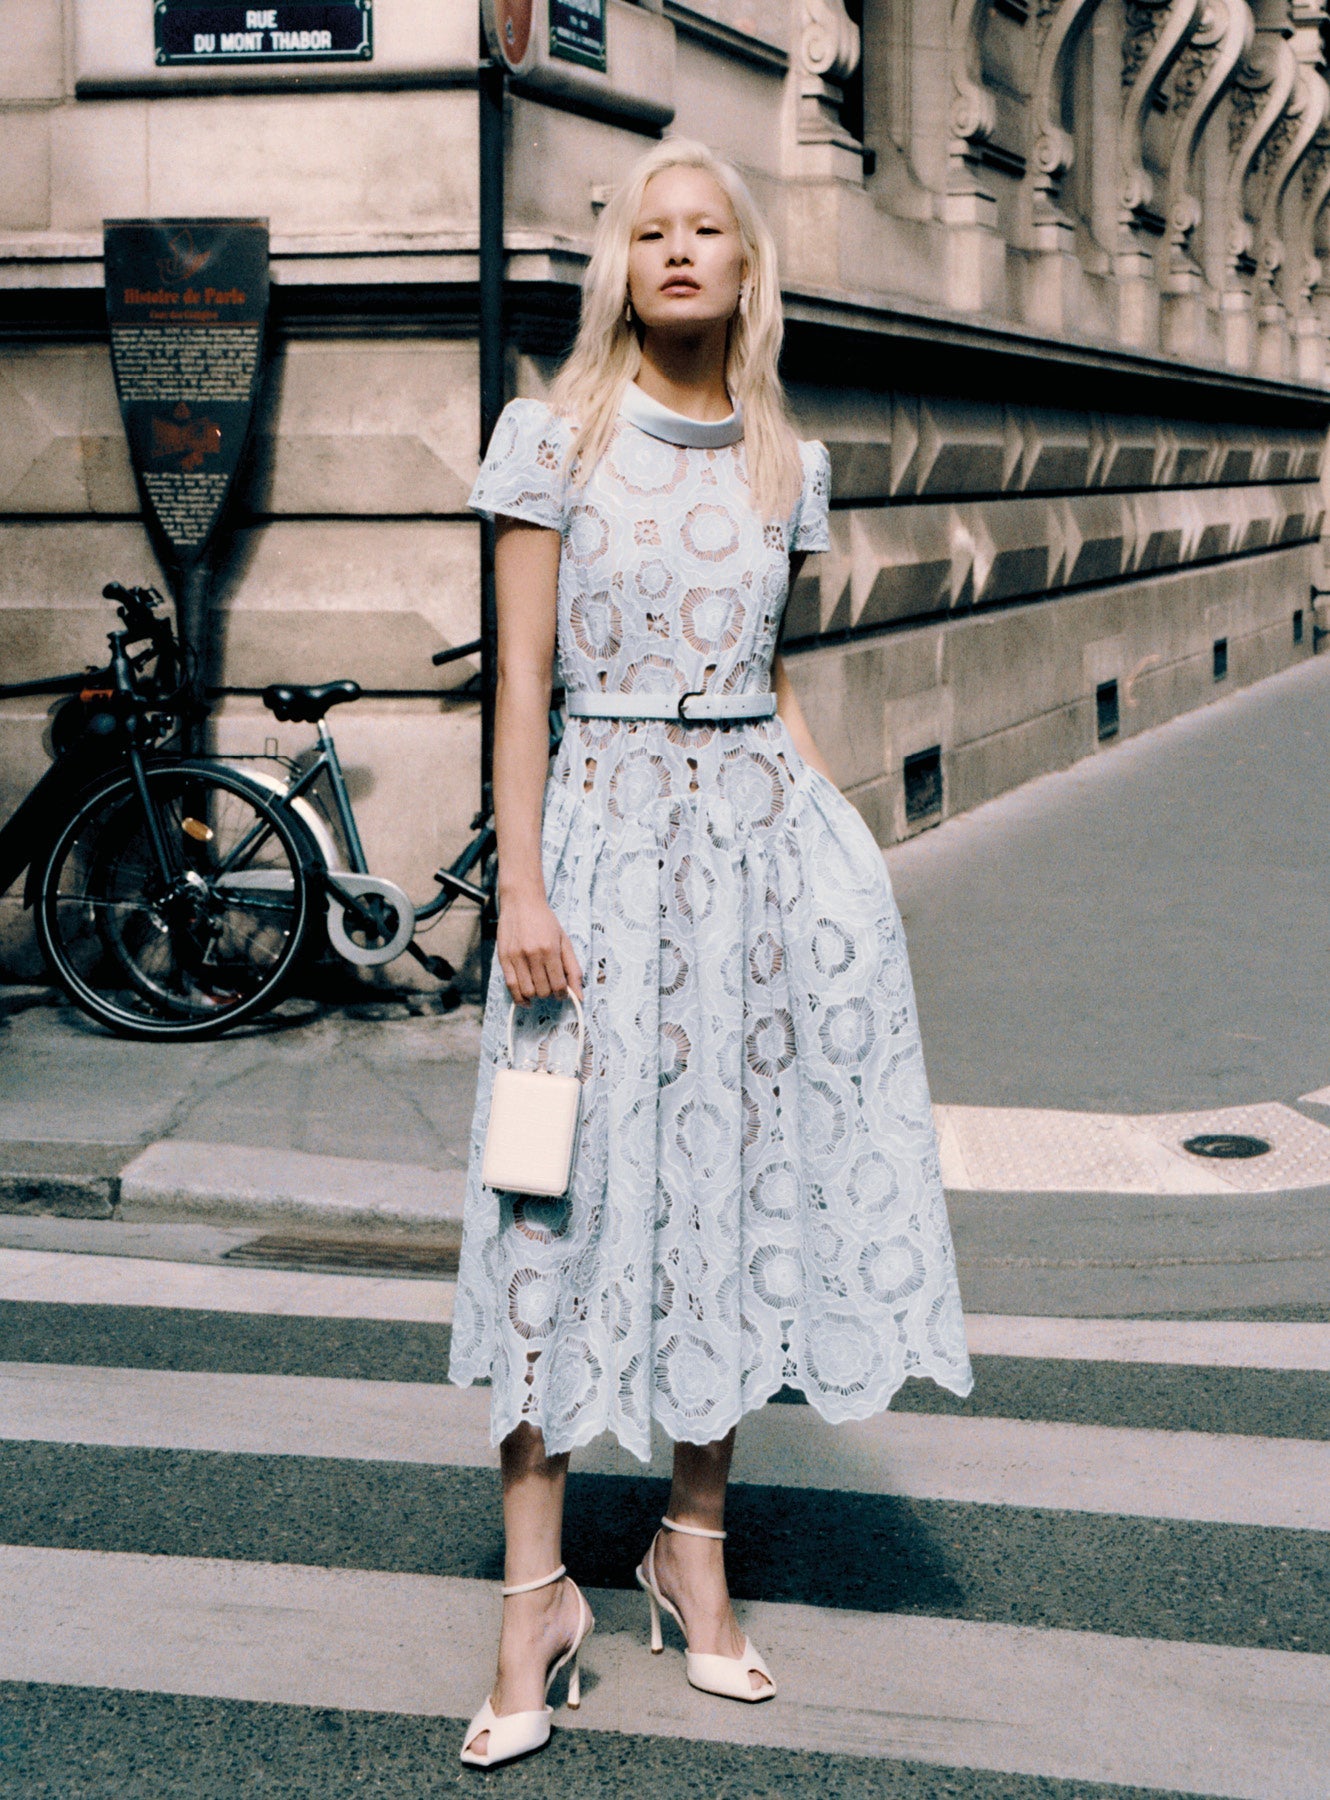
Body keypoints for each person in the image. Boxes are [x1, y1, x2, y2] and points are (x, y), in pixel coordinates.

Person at [450, 137, 973, 1768]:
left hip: (754, 850)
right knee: (553, 1202)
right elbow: (519, 686)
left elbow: (779, 673)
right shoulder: (554, 440)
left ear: (746, 271)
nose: (677, 250)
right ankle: (532, 1598)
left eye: (707, 232)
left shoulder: (781, 462)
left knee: (728, 1190)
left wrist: (838, 852)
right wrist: (519, 887)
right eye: (649, 231)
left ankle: (693, 1548)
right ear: (621, 264)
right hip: (594, 847)